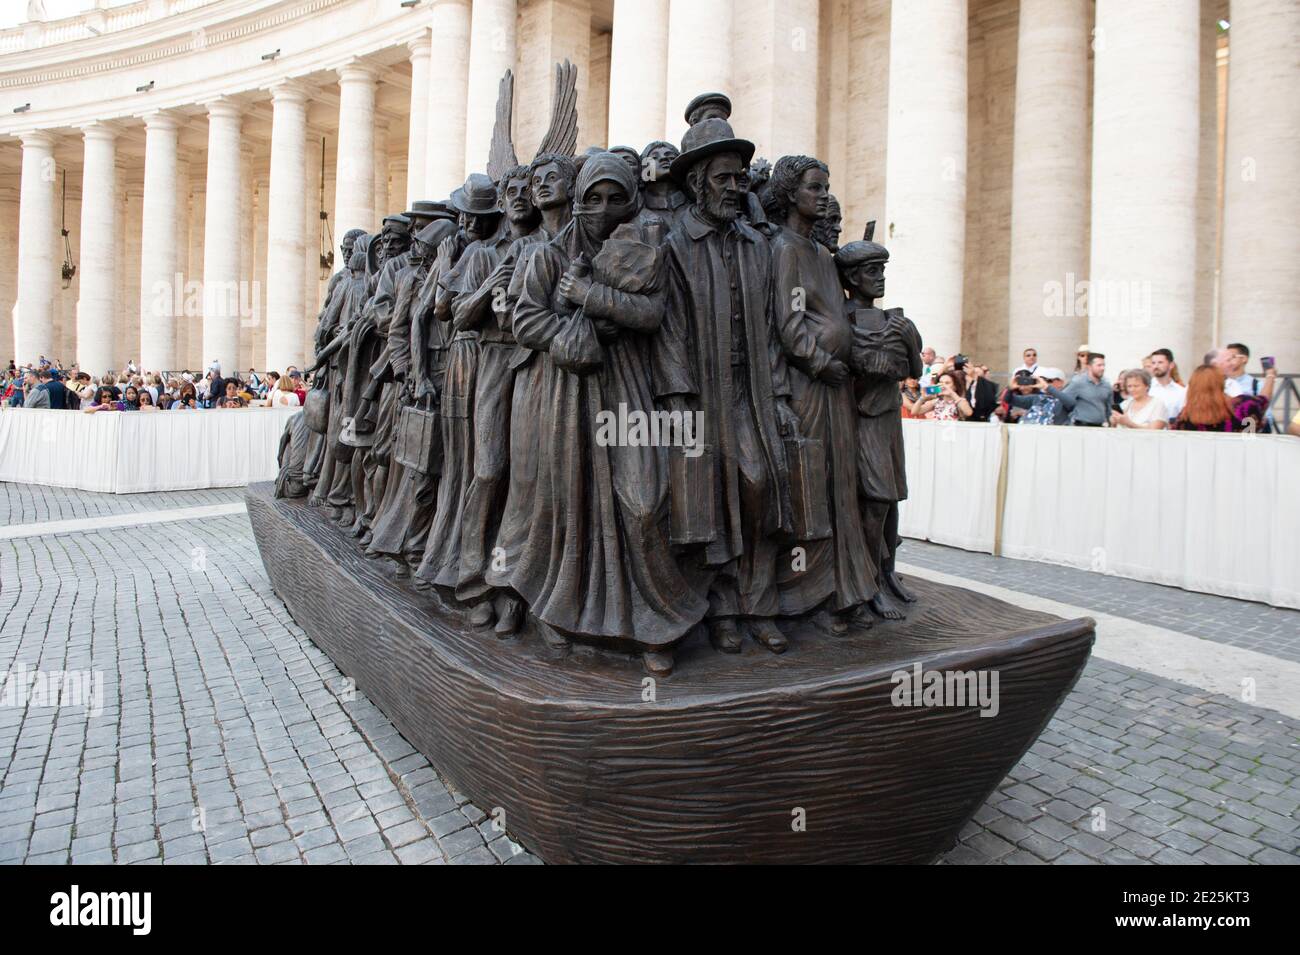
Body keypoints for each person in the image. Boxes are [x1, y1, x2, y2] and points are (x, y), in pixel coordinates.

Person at [506, 150, 707, 676]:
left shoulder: (646, 248)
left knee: (642, 502)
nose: (604, 208)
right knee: (568, 498)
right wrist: (580, 336)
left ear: (632, 200)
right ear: (578, 199)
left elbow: (653, 313)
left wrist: (590, 297)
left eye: (617, 198)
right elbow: (526, 322)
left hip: (629, 389)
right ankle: (560, 607)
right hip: (570, 390)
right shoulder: (548, 255)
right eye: (593, 198)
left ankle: (657, 622)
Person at [1174, 365, 1269, 433]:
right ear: (1221, 384)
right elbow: (1264, 400)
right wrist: (1271, 376)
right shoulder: (1242, 406)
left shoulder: (1184, 417)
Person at [1049, 351, 1110, 425]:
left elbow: (1108, 409)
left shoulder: (1106, 385)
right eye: (1099, 365)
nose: (1102, 368)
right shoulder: (1078, 382)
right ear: (1089, 366)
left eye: (1103, 365)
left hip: (1100, 427)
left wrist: (1110, 422)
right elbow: (1063, 399)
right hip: (1081, 426)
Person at [1147, 348, 1186, 421]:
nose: (1156, 366)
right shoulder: (1146, 388)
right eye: (1153, 363)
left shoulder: (1181, 391)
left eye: (1160, 362)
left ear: (1171, 365)